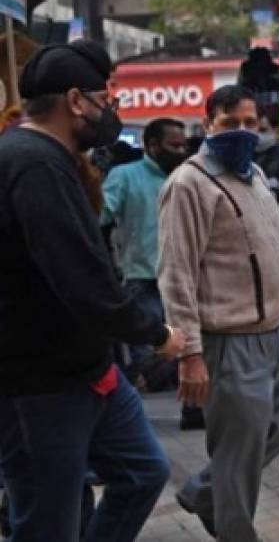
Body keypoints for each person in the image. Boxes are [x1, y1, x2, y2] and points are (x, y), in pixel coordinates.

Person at [0, 41, 184, 541]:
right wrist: (156, 332)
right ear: (77, 100)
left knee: (143, 472)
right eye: (107, 98)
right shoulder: (32, 163)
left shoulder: (50, 159)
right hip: (40, 385)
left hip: (89, 371)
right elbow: (81, 280)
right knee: (47, 524)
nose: (112, 111)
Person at [160, 85, 279, 540]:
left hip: (278, 331)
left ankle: (206, 491)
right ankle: (235, 530)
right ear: (207, 125)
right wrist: (190, 353)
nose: (242, 132)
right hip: (230, 339)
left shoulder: (256, 175)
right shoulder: (188, 184)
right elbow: (176, 272)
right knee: (238, 451)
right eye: (229, 123)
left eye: (249, 122)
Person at [100, 117, 205, 428]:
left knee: (190, 344)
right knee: (152, 352)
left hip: (186, 277)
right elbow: (101, 217)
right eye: (174, 145)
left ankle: (193, 408)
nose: (181, 150)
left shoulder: (190, 177)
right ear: (152, 145)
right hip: (141, 277)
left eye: (183, 145)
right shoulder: (125, 177)